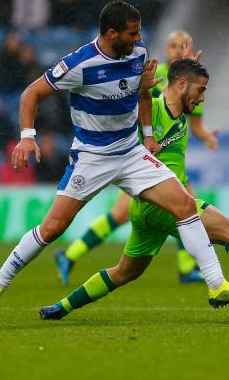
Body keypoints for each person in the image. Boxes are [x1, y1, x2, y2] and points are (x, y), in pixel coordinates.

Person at [0, 0, 229, 323]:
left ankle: (216, 285)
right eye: (132, 33)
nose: (138, 39)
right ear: (111, 33)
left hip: (131, 152)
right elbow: (30, 94)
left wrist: (148, 134)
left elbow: (144, 93)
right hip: (91, 158)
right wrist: (27, 136)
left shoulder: (137, 54)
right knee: (52, 228)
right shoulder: (80, 64)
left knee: (184, 204)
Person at [39, 60, 229, 321]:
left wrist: (187, 67)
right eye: (199, 91)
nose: (201, 99)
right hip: (164, 203)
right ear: (182, 85)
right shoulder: (150, 111)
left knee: (124, 272)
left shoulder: (181, 119)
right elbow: (133, 106)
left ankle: (61, 307)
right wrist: (139, 88)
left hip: (146, 211)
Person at [55, 30, 216, 286]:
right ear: (166, 49)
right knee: (127, 214)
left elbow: (194, 122)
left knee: (184, 204)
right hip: (138, 157)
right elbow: (143, 104)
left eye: (181, 46)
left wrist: (206, 136)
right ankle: (69, 254)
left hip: (165, 159)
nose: (177, 51)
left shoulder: (194, 85)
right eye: (173, 46)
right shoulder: (154, 71)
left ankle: (187, 268)